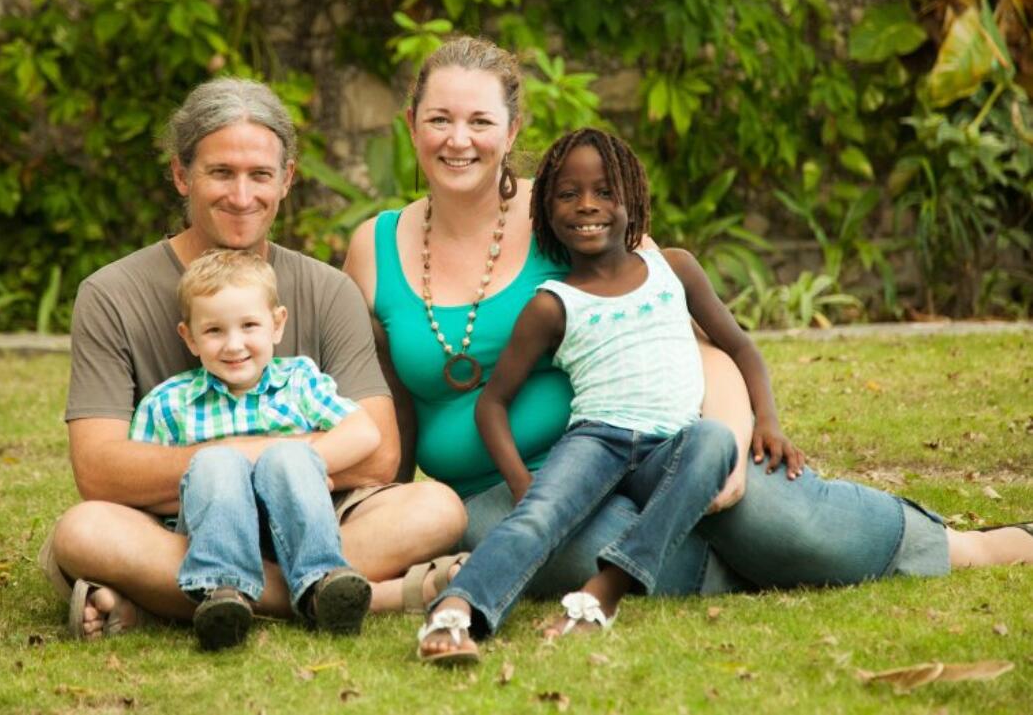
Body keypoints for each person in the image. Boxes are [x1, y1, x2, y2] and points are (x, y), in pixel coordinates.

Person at [341, 36, 1033, 639]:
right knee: (579, 550)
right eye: (439, 118)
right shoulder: (373, 247)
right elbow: (384, 400)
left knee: (764, 513)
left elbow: (698, 337)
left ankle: (968, 547)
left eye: (478, 120)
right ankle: (740, 569)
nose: (457, 139)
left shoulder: (567, 215)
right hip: (504, 491)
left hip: (645, 436)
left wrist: (731, 438)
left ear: (513, 128)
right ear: (410, 125)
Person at [39, 77, 468, 640]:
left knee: (438, 508)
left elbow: (379, 455)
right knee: (84, 531)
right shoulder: (111, 294)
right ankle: (362, 594)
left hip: (323, 516)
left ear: (286, 179)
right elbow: (101, 472)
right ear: (180, 175)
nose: (242, 197)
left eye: (260, 175)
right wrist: (240, 458)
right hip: (187, 527)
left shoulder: (326, 290)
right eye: (221, 173)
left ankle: (179, 599)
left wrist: (271, 465)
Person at [418, 128, 787, 663]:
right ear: (546, 209)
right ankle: (455, 613)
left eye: (604, 192)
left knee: (714, 440)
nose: (587, 205)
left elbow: (739, 346)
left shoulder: (674, 268)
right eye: (568, 194)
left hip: (672, 447)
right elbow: (491, 403)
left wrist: (769, 420)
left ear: (630, 199)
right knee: (537, 520)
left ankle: (605, 592)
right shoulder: (553, 303)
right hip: (597, 441)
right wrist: (524, 484)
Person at [132, 249, 378, 649]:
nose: (234, 345)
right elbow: (139, 488)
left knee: (288, 456)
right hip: (211, 531)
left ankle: (322, 584)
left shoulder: (298, 381)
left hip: (298, 524)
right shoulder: (167, 403)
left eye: (249, 325)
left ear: (277, 324)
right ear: (189, 337)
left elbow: (364, 431)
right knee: (216, 462)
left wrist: (308, 462)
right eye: (214, 331)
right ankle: (224, 595)